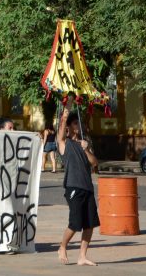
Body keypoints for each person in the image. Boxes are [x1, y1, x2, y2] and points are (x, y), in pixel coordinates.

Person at [57, 107, 99, 266]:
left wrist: (86, 148)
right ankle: (62, 246)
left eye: (78, 123)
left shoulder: (84, 143)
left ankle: (82, 256)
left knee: (90, 224)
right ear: (68, 127)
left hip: (87, 188)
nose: (78, 126)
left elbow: (95, 163)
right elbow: (60, 133)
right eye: (75, 123)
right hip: (73, 187)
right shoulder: (64, 143)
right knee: (75, 223)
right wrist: (65, 115)